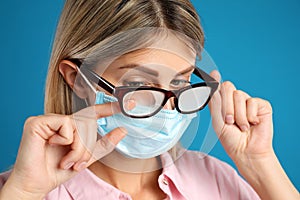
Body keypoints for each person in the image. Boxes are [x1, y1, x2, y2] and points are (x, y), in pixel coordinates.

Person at [0, 0, 298, 199]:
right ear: (76, 78)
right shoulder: (23, 188)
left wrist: (259, 164)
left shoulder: (214, 179)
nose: (168, 107)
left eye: (180, 82)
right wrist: (24, 192)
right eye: (138, 83)